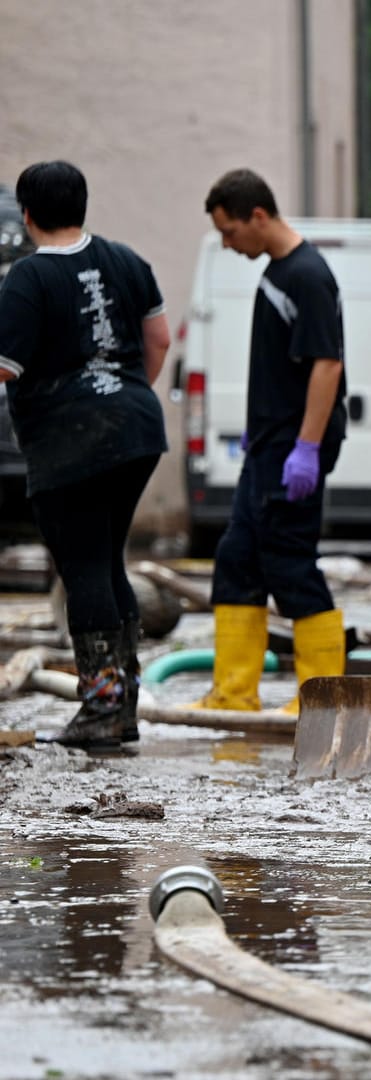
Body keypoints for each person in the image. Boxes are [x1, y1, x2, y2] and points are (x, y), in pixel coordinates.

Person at [0, 161, 169, 749]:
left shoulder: (26, 278)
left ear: (27, 213)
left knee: (84, 567)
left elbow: (5, 366)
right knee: (107, 559)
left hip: (70, 440)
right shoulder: (126, 259)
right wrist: (125, 399)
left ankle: (101, 707)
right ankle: (121, 701)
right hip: (137, 429)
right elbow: (159, 340)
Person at [196, 168, 347, 713]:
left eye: (231, 232)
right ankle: (233, 692)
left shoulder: (307, 275)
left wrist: (307, 447)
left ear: (258, 215)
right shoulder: (278, 271)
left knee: (289, 562)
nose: (228, 245)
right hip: (266, 447)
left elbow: (327, 365)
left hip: (292, 447)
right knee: (237, 557)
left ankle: (321, 697)